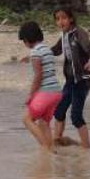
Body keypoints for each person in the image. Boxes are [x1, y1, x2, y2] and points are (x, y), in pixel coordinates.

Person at [51, 8, 90, 149]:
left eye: (64, 18)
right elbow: (56, 50)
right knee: (59, 111)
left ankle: (86, 148)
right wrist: (37, 54)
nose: (61, 21)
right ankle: (56, 142)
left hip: (82, 80)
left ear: (71, 19)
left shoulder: (79, 33)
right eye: (58, 19)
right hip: (70, 81)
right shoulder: (65, 35)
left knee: (76, 116)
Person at [19, 21, 63, 151]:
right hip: (56, 93)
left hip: (46, 93)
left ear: (26, 40)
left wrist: (31, 95)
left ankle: (45, 147)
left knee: (26, 119)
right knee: (44, 123)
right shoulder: (46, 49)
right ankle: (51, 151)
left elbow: (38, 76)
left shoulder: (35, 52)